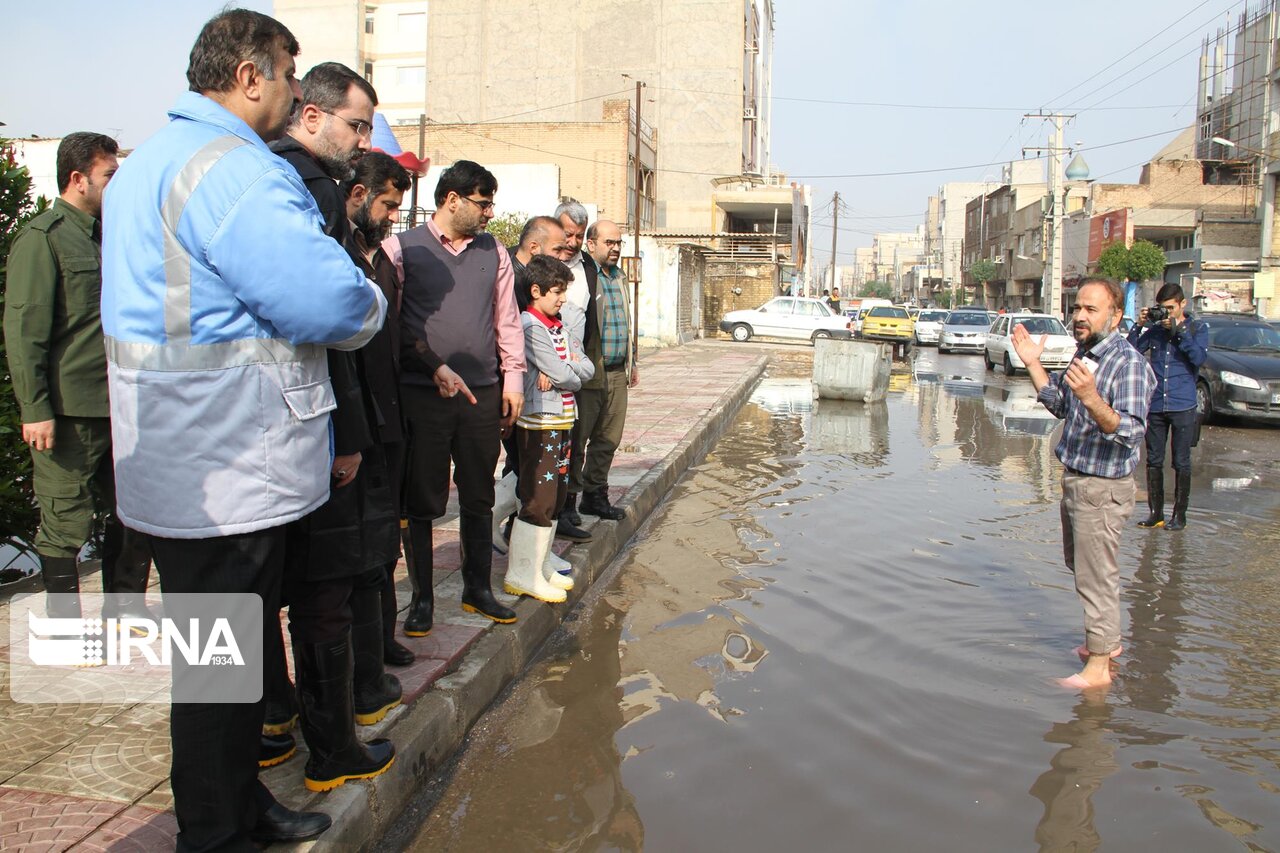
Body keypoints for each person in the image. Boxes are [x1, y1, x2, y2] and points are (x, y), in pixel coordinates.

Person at [100, 10, 386, 849]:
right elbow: (326, 298)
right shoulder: (234, 170)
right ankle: (216, 832)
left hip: (182, 457)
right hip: (228, 462)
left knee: (223, 664)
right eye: (292, 75)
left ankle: (239, 807)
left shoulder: (148, 161)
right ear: (252, 75)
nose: (299, 91)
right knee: (218, 676)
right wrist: (367, 297)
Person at [265, 61, 398, 790]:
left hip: (211, 442)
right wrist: (347, 432)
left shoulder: (210, 178)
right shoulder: (301, 183)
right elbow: (332, 323)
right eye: (356, 125)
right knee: (323, 590)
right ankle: (329, 746)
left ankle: (258, 748)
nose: (360, 142)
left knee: (242, 602)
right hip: (290, 424)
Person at [3, 132, 151, 620]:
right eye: (109, 175)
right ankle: (65, 624)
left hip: (122, 403)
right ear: (77, 178)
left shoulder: (114, 235)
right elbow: (26, 333)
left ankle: (125, 610)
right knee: (64, 521)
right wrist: (35, 409)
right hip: (69, 411)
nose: (116, 185)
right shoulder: (43, 238)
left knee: (134, 510)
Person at [386, 160, 524, 635]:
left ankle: (477, 589)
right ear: (452, 199)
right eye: (483, 203)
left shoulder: (495, 253)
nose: (489, 213)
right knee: (422, 498)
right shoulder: (401, 249)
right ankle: (422, 598)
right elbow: (395, 324)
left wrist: (512, 382)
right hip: (422, 395)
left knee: (479, 492)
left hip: (481, 395)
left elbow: (506, 321)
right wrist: (429, 367)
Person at [1011, 277, 1155, 690]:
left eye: (1091, 310)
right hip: (1076, 481)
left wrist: (1093, 398)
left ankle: (1098, 669)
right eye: (1077, 308)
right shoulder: (1086, 354)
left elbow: (1130, 431)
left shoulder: (1127, 364)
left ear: (1116, 315)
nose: (1079, 317)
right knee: (1083, 568)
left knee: (1097, 576)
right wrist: (1033, 363)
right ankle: (1105, 643)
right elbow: (1060, 405)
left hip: (1102, 488)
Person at [342, 151, 417, 669]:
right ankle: (355, 651)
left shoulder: (383, 260)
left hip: (388, 417)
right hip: (350, 420)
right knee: (351, 544)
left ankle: (382, 636)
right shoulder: (332, 254)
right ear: (358, 195)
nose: (392, 218)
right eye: (388, 206)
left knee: (386, 534)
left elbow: (397, 333)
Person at [504, 255, 595, 603]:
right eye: (557, 292)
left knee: (556, 496)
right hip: (539, 424)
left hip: (562, 421)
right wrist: (565, 372)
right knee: (538, 499)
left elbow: (582, 367)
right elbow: (563, 374)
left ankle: (539, 565)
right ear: (536, 290)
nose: (563, 299)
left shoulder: (558, 325)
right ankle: (521, 573)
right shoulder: (531, 326)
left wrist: (565, 370)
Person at [493, 215, 579, 551]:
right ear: (533, 246)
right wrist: (542, 366)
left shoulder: (539, 288)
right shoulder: (510, 281)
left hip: (543, 398)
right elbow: (511, 338)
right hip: (519, 397)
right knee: (528, 476)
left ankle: (531, 547)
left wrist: (557, 365)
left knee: (544, 479)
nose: (565, 253)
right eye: (558, 248)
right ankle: (520, 550)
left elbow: (573, 358)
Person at [567, 219, 636, 523]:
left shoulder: (619, 276)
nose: (616, 248)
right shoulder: (581, 275)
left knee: (609, 438)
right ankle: (567, 501)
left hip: (617, 371)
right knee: (578, 439)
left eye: (619, 243)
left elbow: (627, 322)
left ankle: (595, 496)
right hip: (589, 371)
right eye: (609, 243)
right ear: (591, 244)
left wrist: (633, 364)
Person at [1126, 283, 1208, 531]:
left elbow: (1199, 359)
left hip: (1183, 404)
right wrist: (1139, 325)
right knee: (1154, 460)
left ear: (1182, 304)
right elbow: (1130, 352)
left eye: (1171, 308)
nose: (1167, 313)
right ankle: (1156, 513)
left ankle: (1179, 516)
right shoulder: (1155, 330)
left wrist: (1178, 331)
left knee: (1181, 462)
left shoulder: (1196, 328)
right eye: (1163, 309)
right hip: (1156, 404)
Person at [551, 201, 599, 542]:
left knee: (573, 443)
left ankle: (566, 508)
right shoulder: (538, 267)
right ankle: (531, 516)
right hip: (542, 373)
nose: (572, 241)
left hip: (576, 370)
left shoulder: (589, 270)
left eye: (578, 236)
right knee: (540, 452)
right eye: (567, 233)